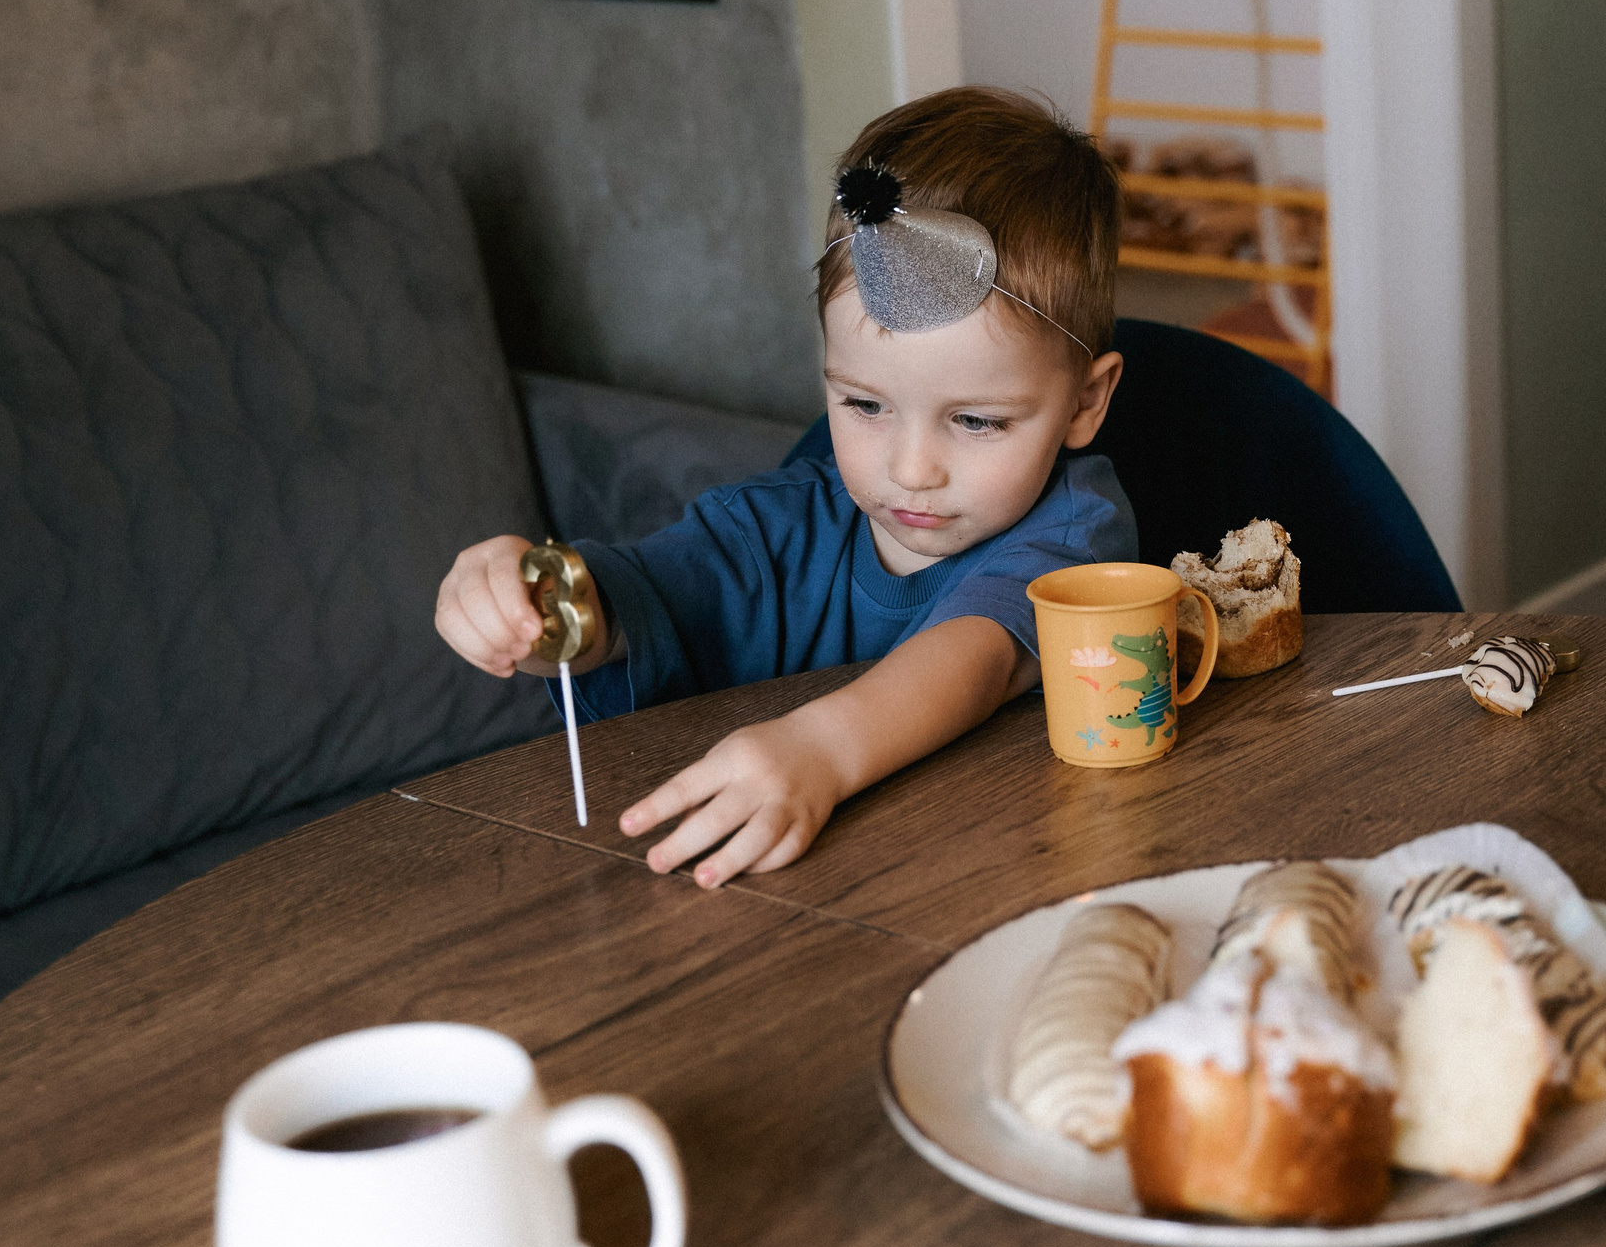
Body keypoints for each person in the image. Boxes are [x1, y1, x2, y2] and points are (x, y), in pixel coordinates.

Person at [434, 88, 1136, 882]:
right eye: (865, 404)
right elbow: (632, 602)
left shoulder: (1078, 532)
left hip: (1006, 881)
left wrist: (822, 747)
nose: (911, 470)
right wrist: (533, 606)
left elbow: (979, 658)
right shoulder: (772, 528)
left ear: (1086, 402)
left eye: (975, 421)